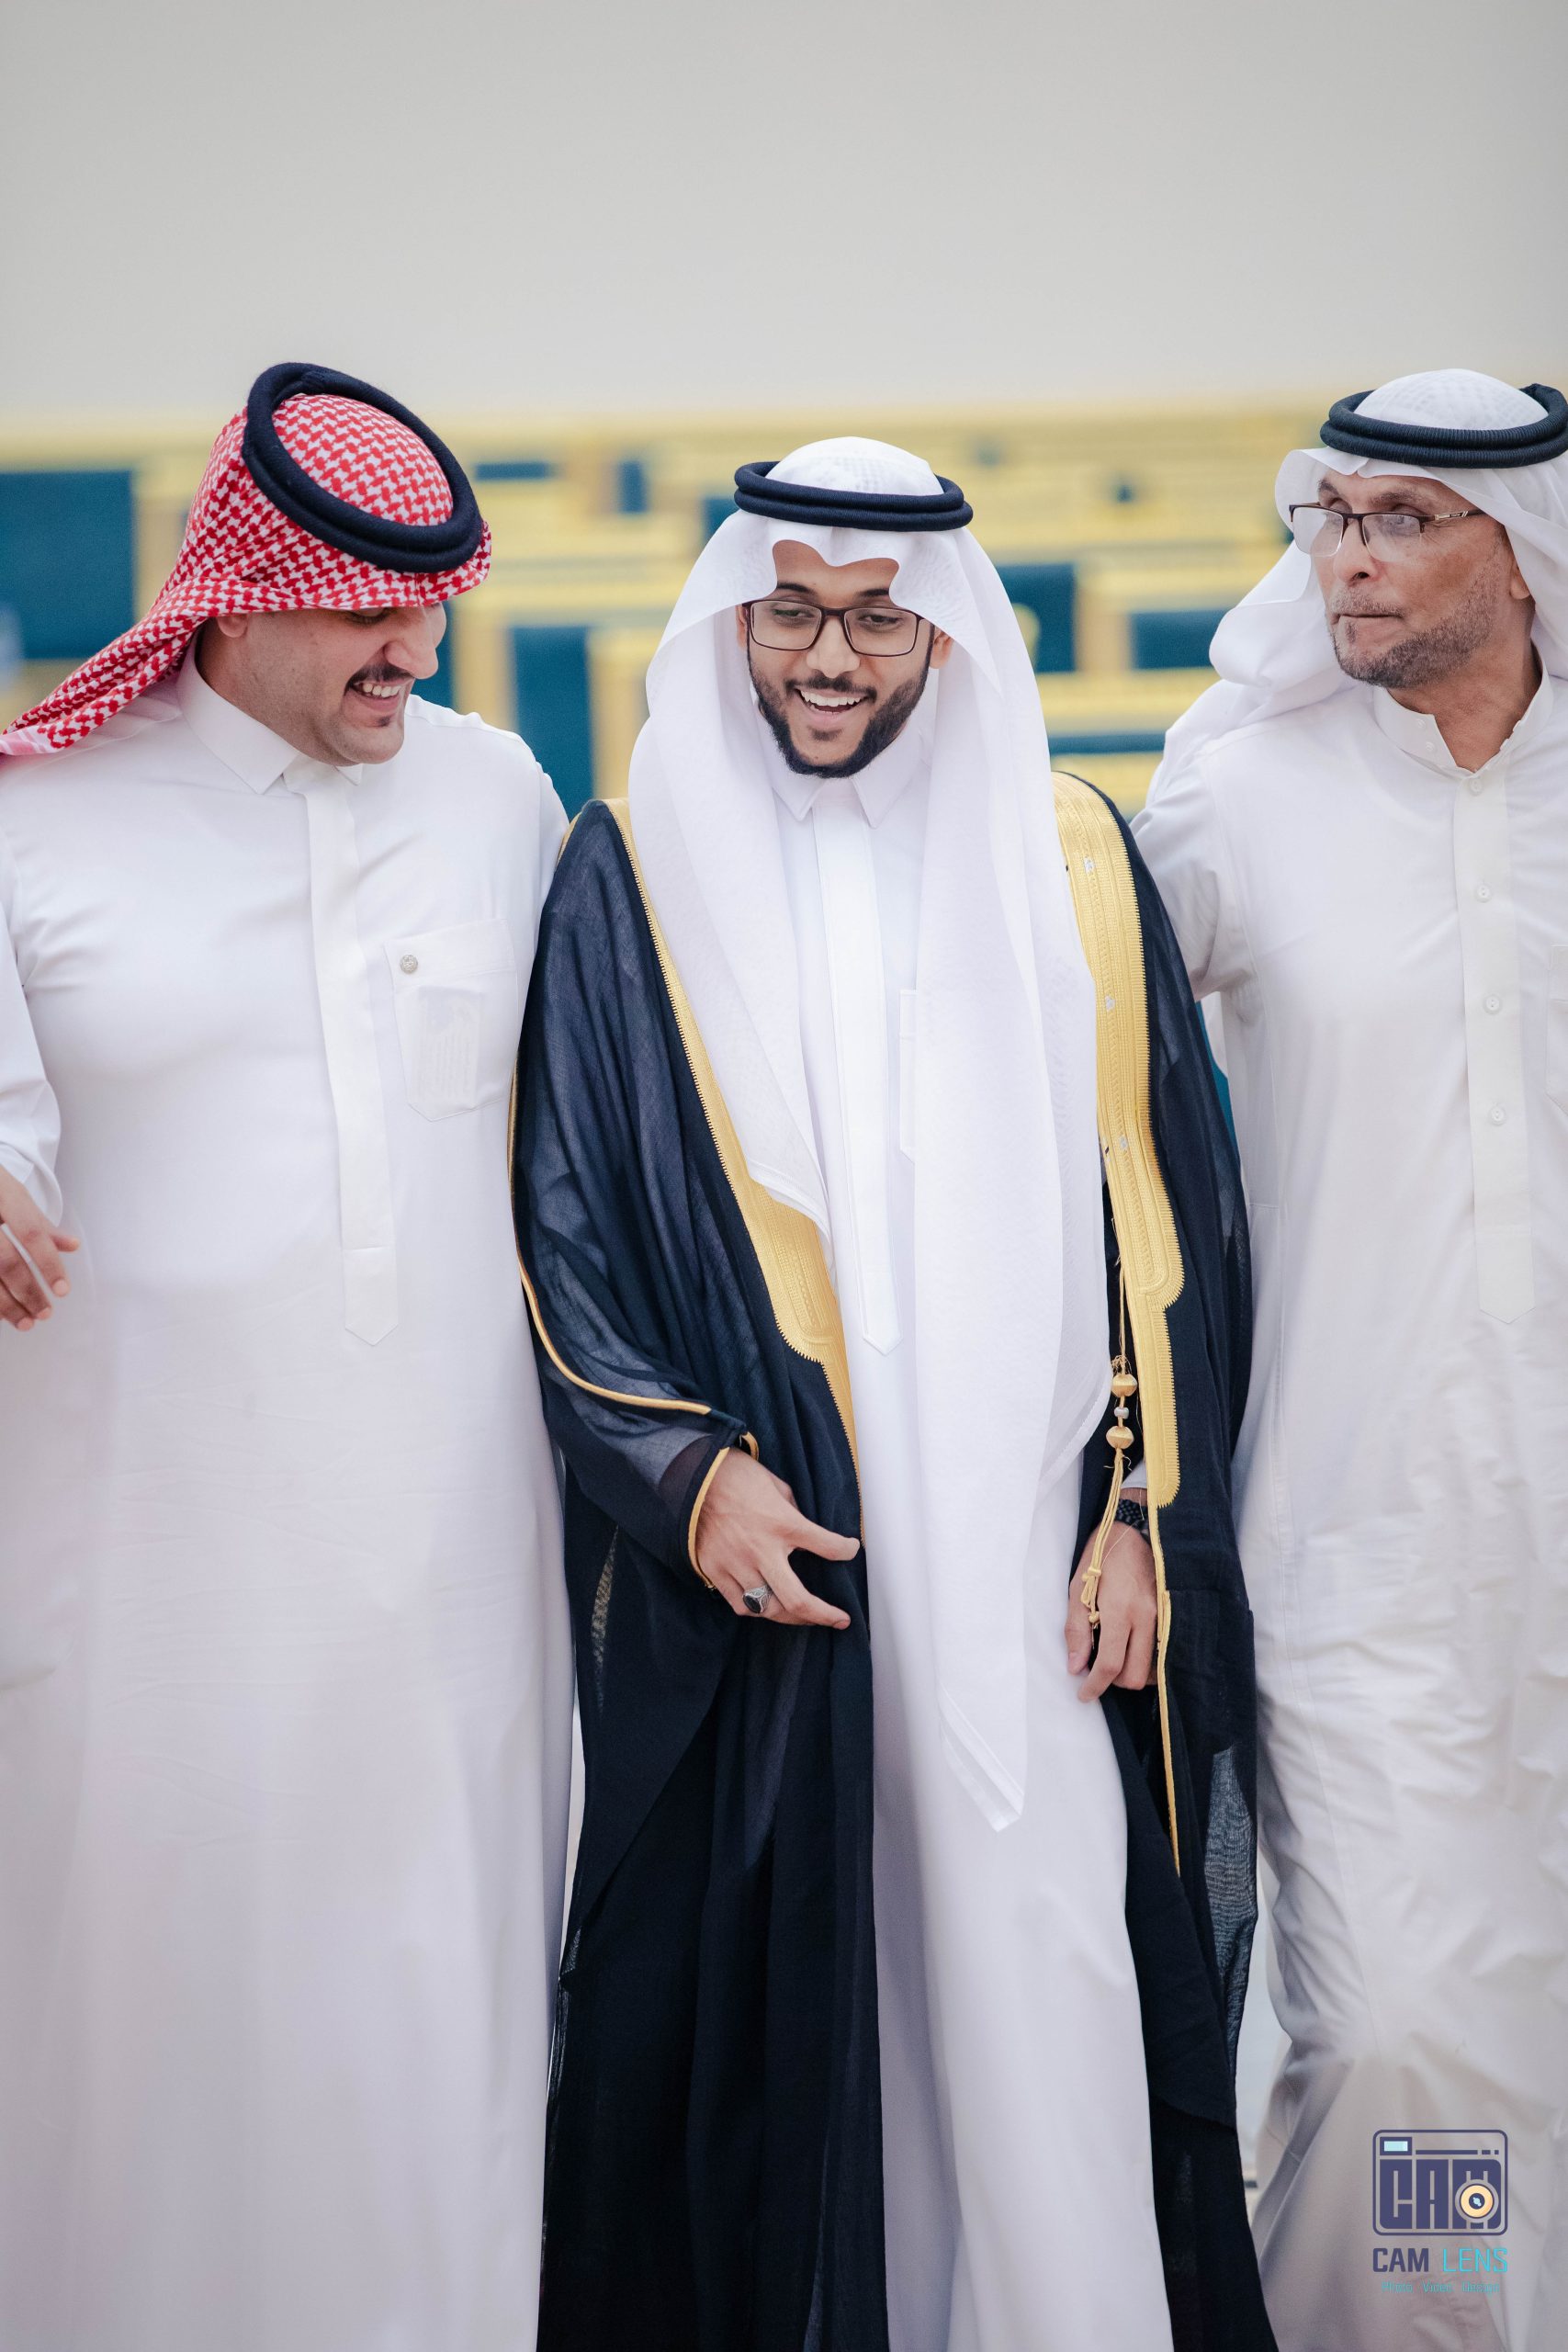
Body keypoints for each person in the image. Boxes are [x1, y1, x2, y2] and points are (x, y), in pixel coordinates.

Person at [513, 438, 1274, 2352]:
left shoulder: (1067, 858)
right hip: (786, 1555)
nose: (830, 658)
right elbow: (561, 1210)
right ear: (732, 621)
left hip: (1030, 1563)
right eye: (790, 614)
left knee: (1042, 1962)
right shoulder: (627, 870)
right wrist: (681, 1475)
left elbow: (1165, 1211)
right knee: (802, 1980)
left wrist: (1138, 1511)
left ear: (948, 637)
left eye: (877, 620)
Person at [0, 364, 572, 2352]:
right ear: (234, 596)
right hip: (137, 1570)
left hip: (448, 1578)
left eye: (433, 607)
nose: (411, 650)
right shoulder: (36, 815)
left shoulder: (497, 798)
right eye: (360, 609)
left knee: (432, 2026)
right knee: (142, 2034)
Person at [1135, 370, 1568, 2352]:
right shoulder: (1244, 788)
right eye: (1332, 517)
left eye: (1403, 520)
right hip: (1355, 1547)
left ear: (1525, 550)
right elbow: (1070, 1084)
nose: (1349, 559)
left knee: (1520, 2043)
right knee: (1404, 2040)